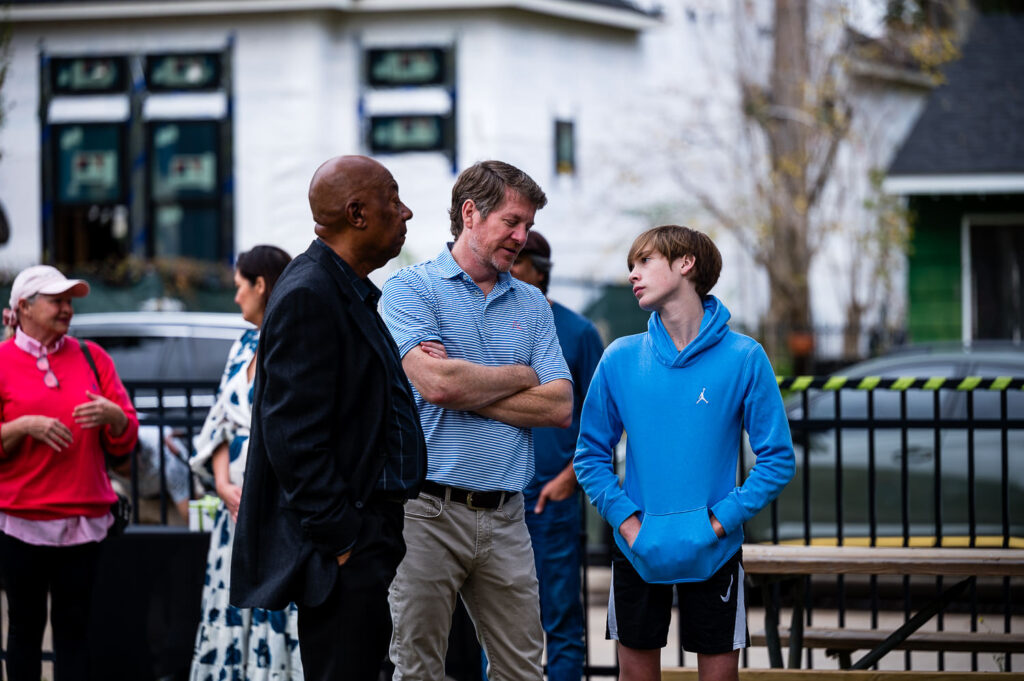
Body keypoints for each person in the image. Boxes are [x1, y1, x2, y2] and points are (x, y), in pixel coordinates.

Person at [230, 156, 426, 681]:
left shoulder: (341, 288)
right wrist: (343, 538)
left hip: (367, 533)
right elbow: (292, 436)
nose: (405, 212)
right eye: (393, 200)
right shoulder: (310, 293)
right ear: (357, 213)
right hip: (347, 544)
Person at [572, 225, 795, 681]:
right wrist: (629, 524)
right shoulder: (619, 357)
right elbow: (589, 455)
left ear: (685, 264)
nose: (633, 274)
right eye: (631, 265)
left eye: (645, 262)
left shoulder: (744, 357)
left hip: (714, 552)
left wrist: (717, 522)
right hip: (636, 550)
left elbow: (777, 460)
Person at [379, 160, 573, 681]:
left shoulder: (532, 303)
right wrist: (521, 373)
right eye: (512, 221)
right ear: (470, 213)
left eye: (527, 225)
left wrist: (462, 385)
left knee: (523, 672)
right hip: (426, 513)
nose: (521, 236)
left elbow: (559, 406)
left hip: (507, 515)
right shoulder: (409, 289)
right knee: (418, 670)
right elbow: (436, 385)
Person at [0, 265, 139, 681]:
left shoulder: (93, 357)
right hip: (22, 520)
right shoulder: (3, 361)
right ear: (24, 306)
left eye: (70, 301)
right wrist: (23, 427)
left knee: (75, 633)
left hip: (85, 521)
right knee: (24, 630)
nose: (67, 309)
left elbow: (126, 438)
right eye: (56, 300)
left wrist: (114, 416)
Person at [188, 245, 301, 681]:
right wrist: (221, 483)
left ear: (260, 284)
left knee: (277, 603)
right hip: (233, 510)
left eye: (239, 287)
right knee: (229, 604)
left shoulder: (293, 339)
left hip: (278, 507)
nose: (235, 298)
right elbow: (219, 421)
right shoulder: (242, 343)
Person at [502, 230, 603, 681]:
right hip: (496, 495)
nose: (505, 267)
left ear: (538, 270)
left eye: (516, 260)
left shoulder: (579, 333)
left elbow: (603, 420)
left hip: (550, 499)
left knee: (559, 615)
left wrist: (569, 478)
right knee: (495, 619)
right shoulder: (490, 323)